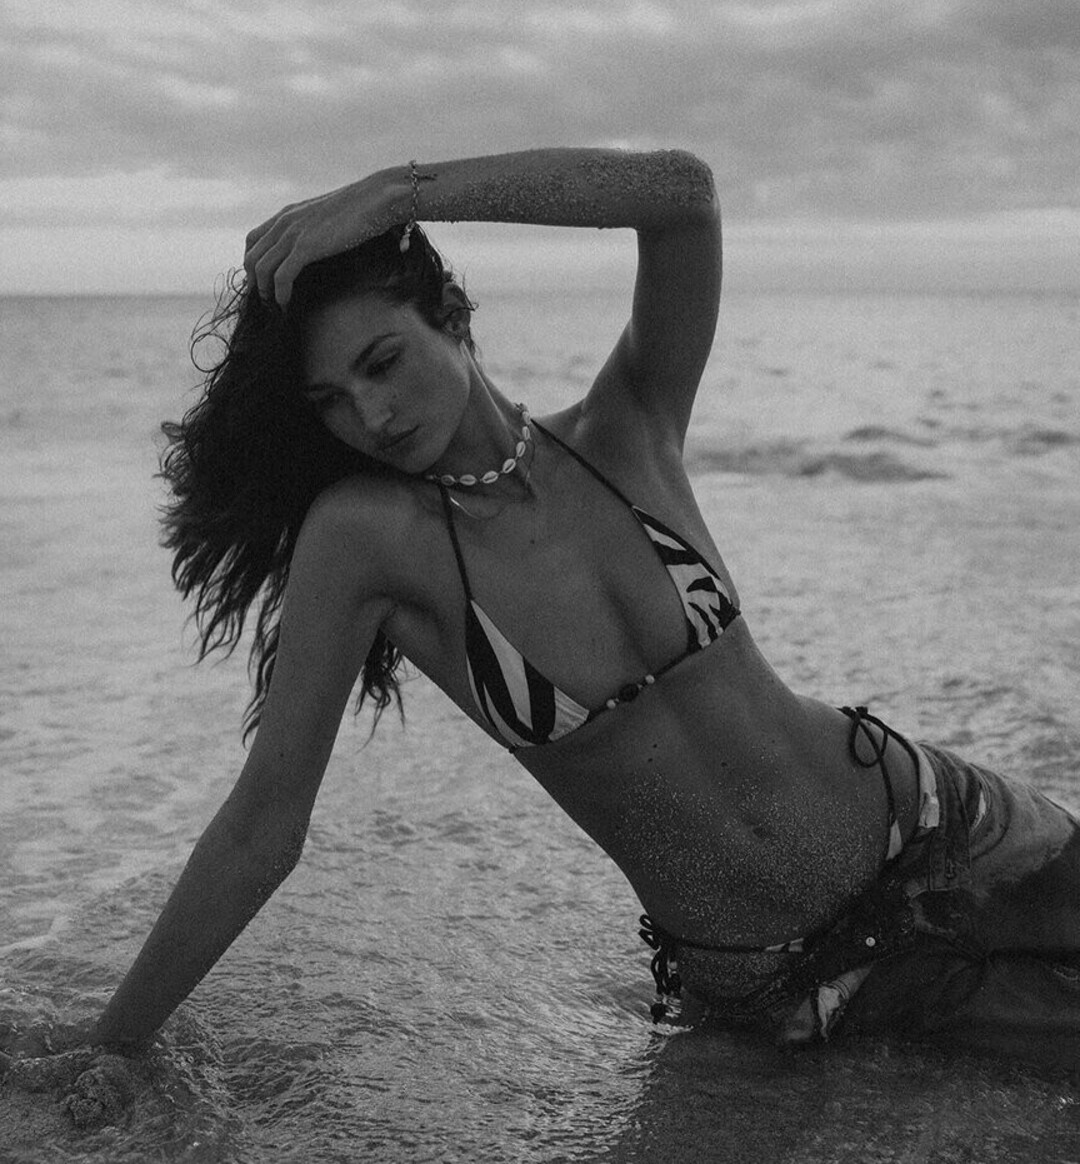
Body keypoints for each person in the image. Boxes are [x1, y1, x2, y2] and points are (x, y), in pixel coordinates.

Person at [12, 150, 1080, 1077]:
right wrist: (113, 1044)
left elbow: (682, 196)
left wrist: (404, 191)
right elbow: (262, 826)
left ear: (451, 315)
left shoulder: (629, 426)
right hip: (791, 985)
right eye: (331, 401)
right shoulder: (370, 541)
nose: (371, 414)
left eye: (382, 363)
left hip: (947, 824)